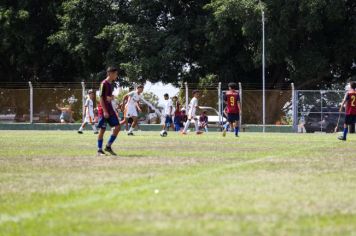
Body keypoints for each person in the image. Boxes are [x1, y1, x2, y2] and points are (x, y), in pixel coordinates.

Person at [96, 67, 120, 156]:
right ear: (110, 73)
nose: (116, 76)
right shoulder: (104, 83)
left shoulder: (110, 84)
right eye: (115, 74)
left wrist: (111, 97)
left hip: (110, 109)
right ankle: (99, 150)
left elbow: (107, 97)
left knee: (117, 127)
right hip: (104, 110)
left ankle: (108, 146)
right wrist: (105, 111)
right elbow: (101, 98)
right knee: (102, 130)